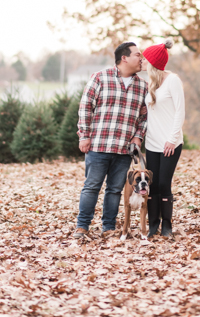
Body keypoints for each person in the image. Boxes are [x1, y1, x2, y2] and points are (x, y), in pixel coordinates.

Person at [74, 42, 148, 239]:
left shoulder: (142, 86)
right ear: (124, 58)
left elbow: (144, 116)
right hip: (98, 145)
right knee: (92, 187)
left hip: (124, 149)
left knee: (115, 190)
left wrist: (138, 136)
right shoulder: (100, 78)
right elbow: (85, 107)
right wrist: (84, 135)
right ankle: (82, 227)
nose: (142, 59)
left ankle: (108, 227)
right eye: (138, 55)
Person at [141, 38, 185, 239]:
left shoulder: (173, 80)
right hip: (152, 143)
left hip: (170, 143)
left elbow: (180, 112)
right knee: (152, 184)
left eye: (145, 60)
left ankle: (167, 225)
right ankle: (153, 225)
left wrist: (172, 139)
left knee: (164, 184)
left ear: (153, 63)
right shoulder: (151, 83)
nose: (143, 62)